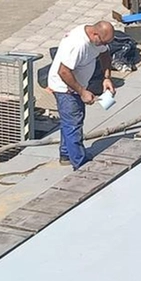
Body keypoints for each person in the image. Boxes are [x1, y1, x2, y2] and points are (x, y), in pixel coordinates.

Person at [48, 20, 117, 170]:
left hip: (76, 83)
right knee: (74, 123)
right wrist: (82, 91)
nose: (103, 45)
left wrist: (106, 77)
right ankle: (80, 164)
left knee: (69, 121)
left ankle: (66, 154)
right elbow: (63, 72)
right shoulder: (77, 45)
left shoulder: (96, 39)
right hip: (64, 87)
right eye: (102, 42)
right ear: (95, 35)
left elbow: (105, 53)